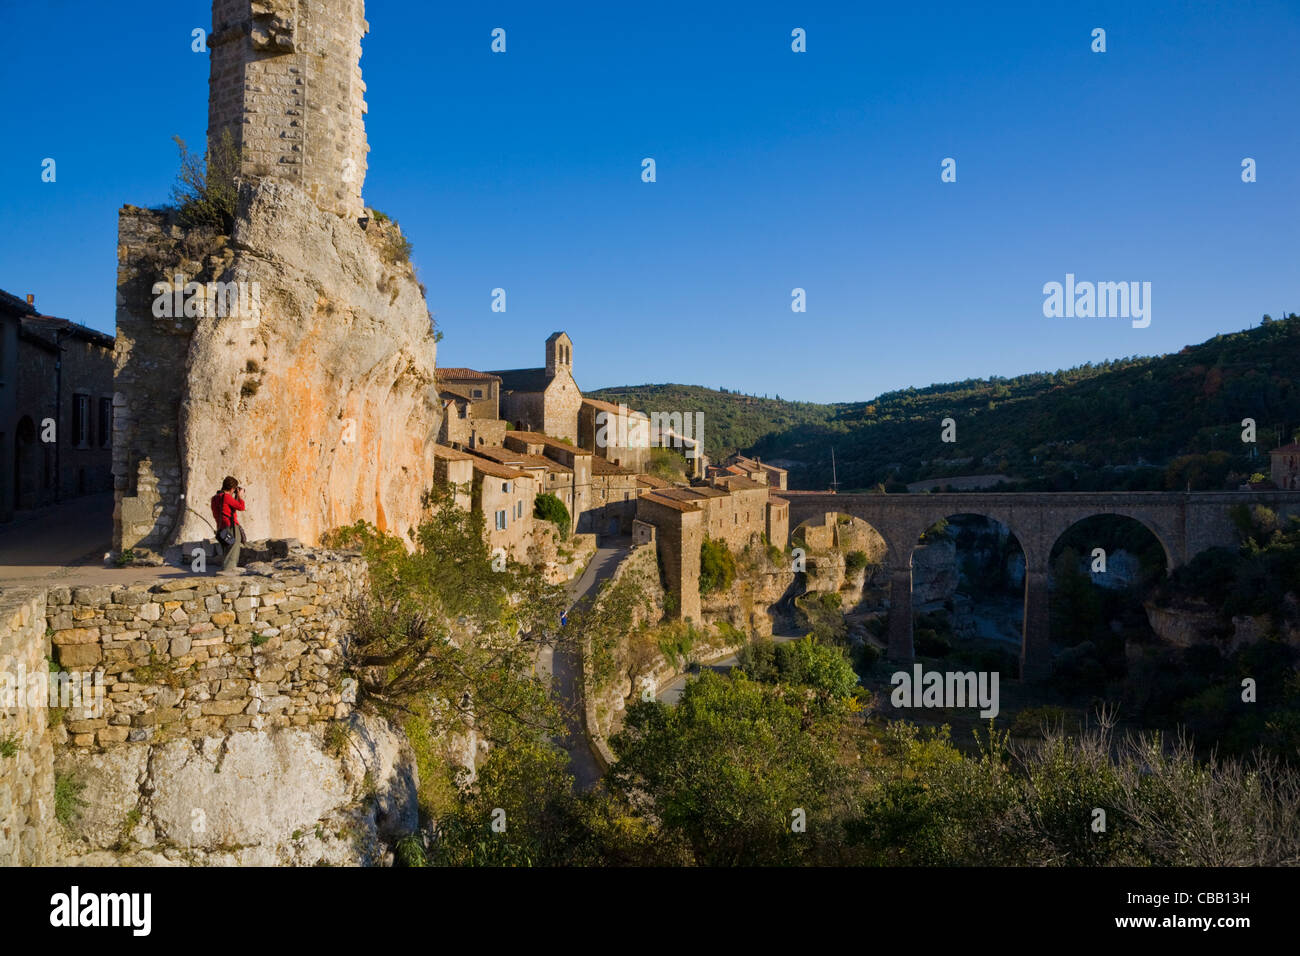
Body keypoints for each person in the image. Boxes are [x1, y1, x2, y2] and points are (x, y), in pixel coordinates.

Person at [210, 476, 246, 572]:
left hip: (221, 529)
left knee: (227, 551)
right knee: (232, 553)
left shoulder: (214, 498)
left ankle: (225, 571)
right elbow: (241, 507)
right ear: (233, 489)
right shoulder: (226, 497)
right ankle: (228, 574)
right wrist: (240, 496)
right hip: (231, 527)